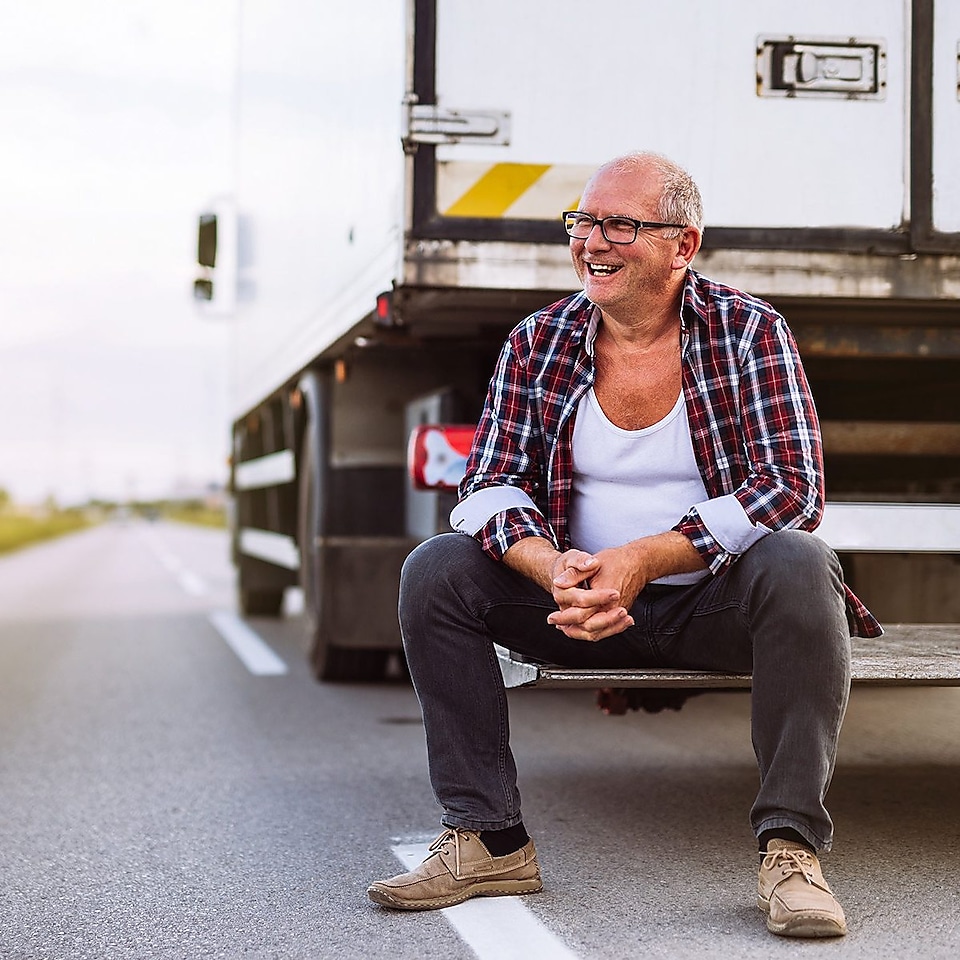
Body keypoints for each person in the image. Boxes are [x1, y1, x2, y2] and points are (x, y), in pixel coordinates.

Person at [367, 152, 881, 938]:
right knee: (436, 569)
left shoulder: (749, 332)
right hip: (576, 605)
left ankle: (791, 850)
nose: (593, 242)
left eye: (620, 225)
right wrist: (555, 569)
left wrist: (643, 559)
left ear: (684, 245)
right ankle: (489, 839)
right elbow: (488, 486)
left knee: (802, 561)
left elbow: (792, 487)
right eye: (584, 221)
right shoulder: (539, 340)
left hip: (711, 606)